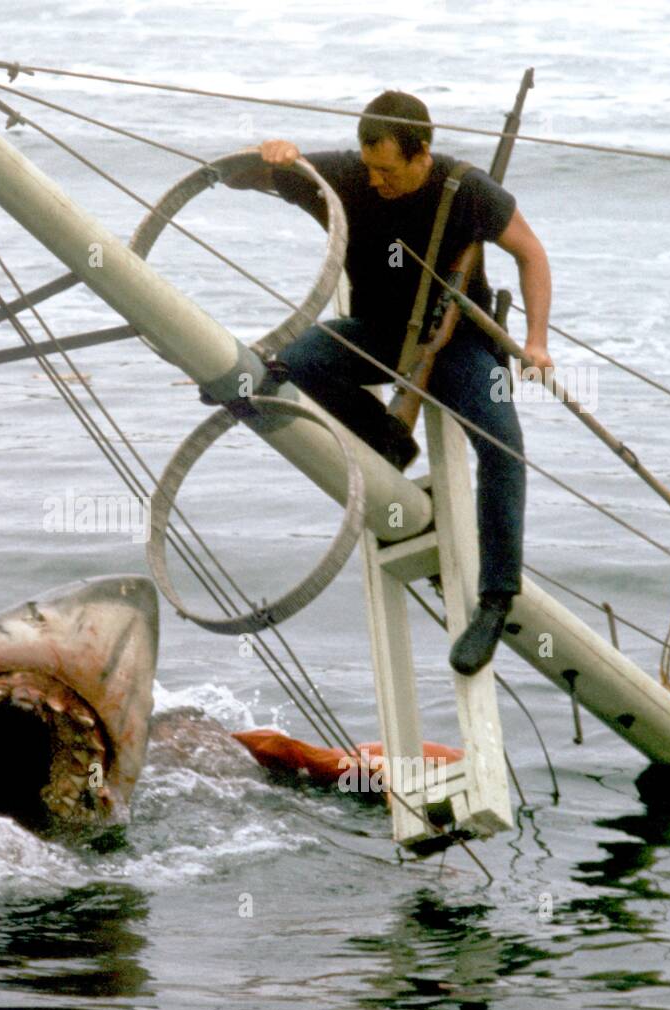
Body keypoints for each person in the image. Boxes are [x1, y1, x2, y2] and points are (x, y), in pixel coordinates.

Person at [226, 90, 555, 676]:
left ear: (422, 152)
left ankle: (497, 599)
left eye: (388, 170)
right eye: (369, 166)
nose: (375, 181)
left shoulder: (467, 189)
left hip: (458, 346)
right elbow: (239, 174)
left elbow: (532, 254)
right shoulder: (350, 175)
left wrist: (536, 342)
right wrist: (268, 154)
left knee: (504, 447)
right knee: (293, 358)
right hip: (376, 332)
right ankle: (389, 440)